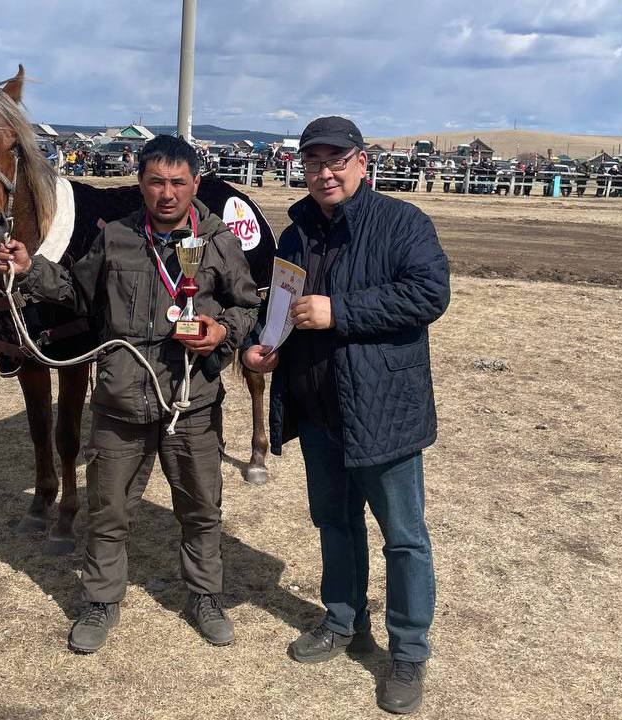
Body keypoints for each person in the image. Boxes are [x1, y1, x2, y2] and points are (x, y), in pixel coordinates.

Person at [0, 135, 261, 653]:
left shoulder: (218, 241)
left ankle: (205, 596)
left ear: (195, 184)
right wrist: (30, 269)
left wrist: (222, 331)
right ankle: (100, 600)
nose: (167, 193)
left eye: (178, 182)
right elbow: (76, 292)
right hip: (121, 399)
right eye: (156, 181)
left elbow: (248, 306)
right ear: (140, 183)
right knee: (108, 509)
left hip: (191, 400)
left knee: (201, 509)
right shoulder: (115, 237)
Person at [242, 116, 450, 715]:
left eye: (336, 160)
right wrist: (261, 344)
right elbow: (280, 306)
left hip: (382, 409)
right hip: (317, 408)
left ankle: (408, 652)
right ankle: (343, 620)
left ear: (363, 162)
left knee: (403, 538)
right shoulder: (295, 232)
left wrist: (340, 312)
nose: (324, 173)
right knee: (334, 523)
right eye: (313, 162)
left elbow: (428, 294)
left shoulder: (403, 223)